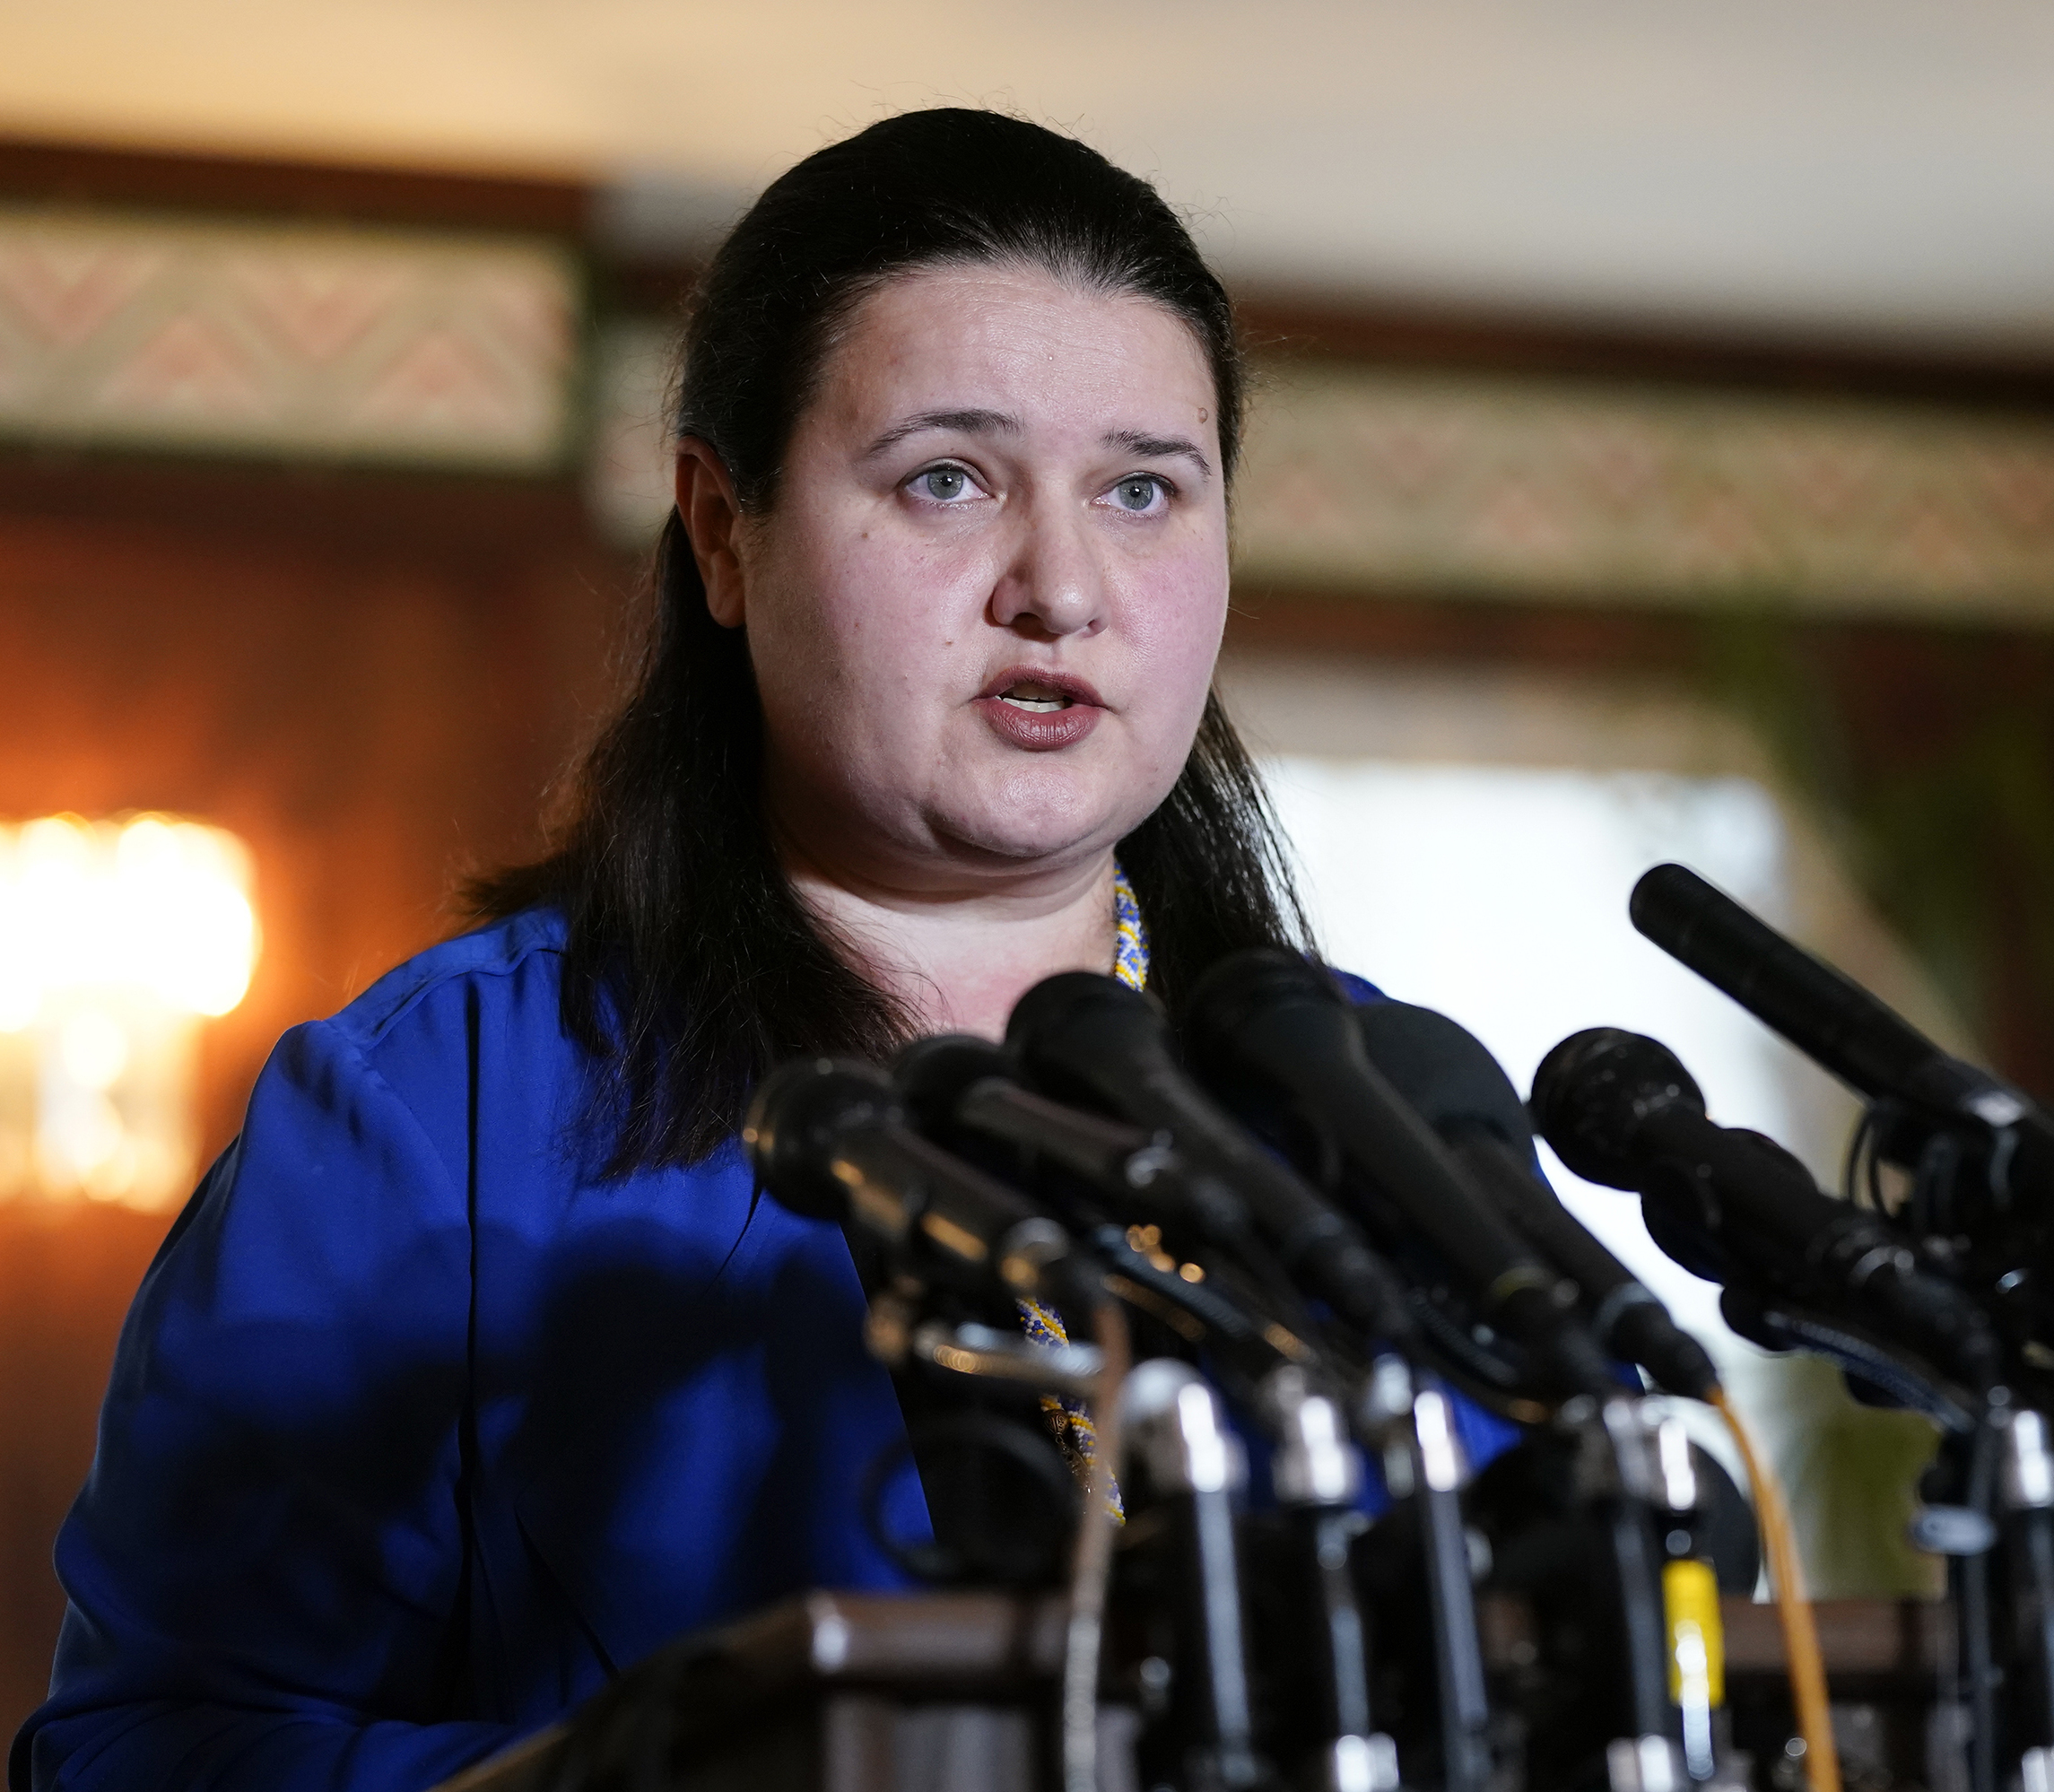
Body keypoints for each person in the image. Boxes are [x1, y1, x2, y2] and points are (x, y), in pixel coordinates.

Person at [10, 109, 1321, 1792]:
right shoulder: (436, 1109)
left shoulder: (1358, 1109)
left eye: (1145, 488)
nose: (1060, 587)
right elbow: (140, 1758)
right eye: (947, 478)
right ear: (722, 529)